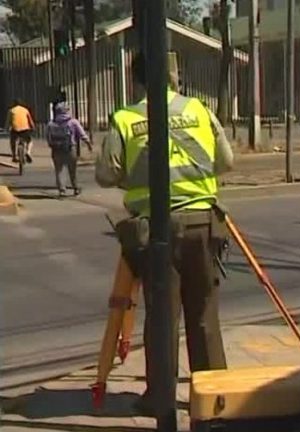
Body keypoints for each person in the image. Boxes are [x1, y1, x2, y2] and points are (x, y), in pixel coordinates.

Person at [95, 51, 235, 415]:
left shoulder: (126, 118)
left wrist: (135, 175)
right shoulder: (199, 110)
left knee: (162, 317)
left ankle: (161, 399)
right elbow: (226, 160)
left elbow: (105, 174)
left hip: (156, 230)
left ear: (136, 79)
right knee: (204, 312)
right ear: (174, 77)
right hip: (202, 224)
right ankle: (214, 397)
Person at [47, 102, 91, 198]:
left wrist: (52, 145)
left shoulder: (51, 123)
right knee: (72, 170)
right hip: (70, 148)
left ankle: (62, 190)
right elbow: (82, 134)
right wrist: (88, 143)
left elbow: (48, 138)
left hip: (56, 149)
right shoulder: (73, 122)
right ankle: (75, 188)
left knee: (59, 170)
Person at [5, 99, 35, 163]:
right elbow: (30, 121)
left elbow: (8, 122)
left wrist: (6, 129)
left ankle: (14, 156)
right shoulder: (25, 110)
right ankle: (28, 152)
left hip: (15, 130)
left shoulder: (11, 110)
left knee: (12, 141)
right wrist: (33, 127)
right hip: (25, 129)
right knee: (30, 141)